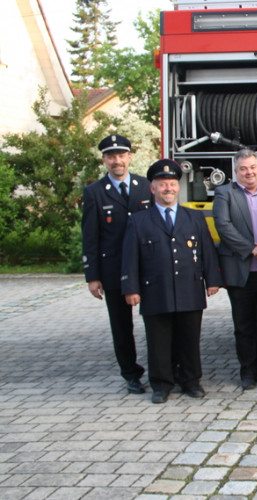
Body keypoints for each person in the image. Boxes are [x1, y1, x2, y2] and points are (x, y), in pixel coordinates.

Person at [121, 159, 223, 404]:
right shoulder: (138, 220)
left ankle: (190, 381)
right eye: (162, 184)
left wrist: (213, 280)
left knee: (189, 338)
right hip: (155, 289)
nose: (168, 188)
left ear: (178, 187)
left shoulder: (194, 217)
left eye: (172, 184)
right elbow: (130, 257)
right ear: (152, 188)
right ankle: (161, 384)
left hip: (189, 287)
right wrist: (131, 288)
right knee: (158, 340)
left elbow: (207, 250)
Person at [81, 134, 153, 395]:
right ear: (104, 160)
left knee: (157, 321)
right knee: (122, 326)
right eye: (111, 156)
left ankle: (163, 369)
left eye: (121, 155)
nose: (117, 161)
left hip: (147, 267)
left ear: (129, 157)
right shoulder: (94, 192)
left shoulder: (146, 187)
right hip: (114, 270)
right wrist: (92, 276)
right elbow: (90, 237)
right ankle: (131, 374)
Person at [213, 149, 257, 390]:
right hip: (240, 271)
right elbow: (223, 225)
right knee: (244, 326)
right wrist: (251, 248)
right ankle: (248, 372)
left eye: (252, 167)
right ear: (236, 171)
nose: (248, 172)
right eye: (243, 168)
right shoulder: (224, 193)